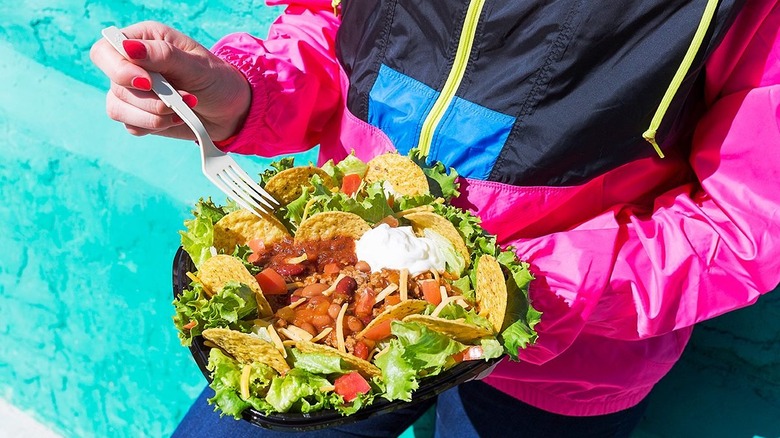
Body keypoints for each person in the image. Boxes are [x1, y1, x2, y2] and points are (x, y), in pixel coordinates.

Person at [91, 1, 780, 436]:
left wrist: (497, 296)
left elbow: (747, 220)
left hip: (562, 372)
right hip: (324, 310)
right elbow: (327, 27)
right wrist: (241, 94)